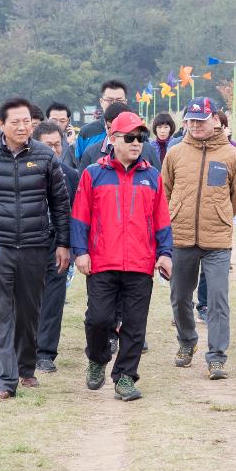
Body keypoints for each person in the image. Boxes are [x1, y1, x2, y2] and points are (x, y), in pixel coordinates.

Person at [0, 97, 72, 402]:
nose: (22, 127)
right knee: (0, 313)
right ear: (1, 125)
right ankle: (5, 381)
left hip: (35, 245)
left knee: (28, 312)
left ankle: (26, 367)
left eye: (26, 122)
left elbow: (60, 203)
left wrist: (63, 243)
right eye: (15, 122)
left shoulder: (46, 157)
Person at [72, 111, 173, 401]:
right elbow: (80, 217)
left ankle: (126, 377)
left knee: (134, 324)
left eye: (140, 138)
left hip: (140, 263)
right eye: (129, 137)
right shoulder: (93, 173)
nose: (136, 143)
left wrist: (165, 253)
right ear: (113, 139)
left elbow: (162, 219)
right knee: (98, 319)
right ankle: (97, 358)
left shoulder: (152, 176)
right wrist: (81, 252)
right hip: (102, 261)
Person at [161, 97, 236, 379]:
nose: (195, 125)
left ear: (215, 120)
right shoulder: (174, 153)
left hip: (217, 240)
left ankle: (217, 356)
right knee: (179, 296)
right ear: (185, 121)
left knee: (218, 299)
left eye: (201, 119)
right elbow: (166, 191)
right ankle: (187, 341)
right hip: (181, 236)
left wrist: (220, 216)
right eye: (191, 120)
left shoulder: (232, 155)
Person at [33, 121, 81, 374]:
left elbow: (75, 214)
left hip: (58, 244)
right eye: (47, 145)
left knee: (53, 300)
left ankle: (45, 353)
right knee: (28, 299)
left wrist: (71, 247)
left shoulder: (71, 175)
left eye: (57, 144)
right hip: (28, 243)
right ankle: (25, 348)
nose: (53, 150)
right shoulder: (24, 170)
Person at [78, 102, 163, 168]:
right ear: (105, 124)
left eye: (138, 137)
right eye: (110, 127)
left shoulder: (148, 151)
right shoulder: (91, 153)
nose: (113, 132)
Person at [74, 80, 129, 163]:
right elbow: (80, 163)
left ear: (125, 102)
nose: (114, 104)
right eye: (109, 100)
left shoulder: (136, 132)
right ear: (101, 102)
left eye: (119, 101)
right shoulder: (86, 132)